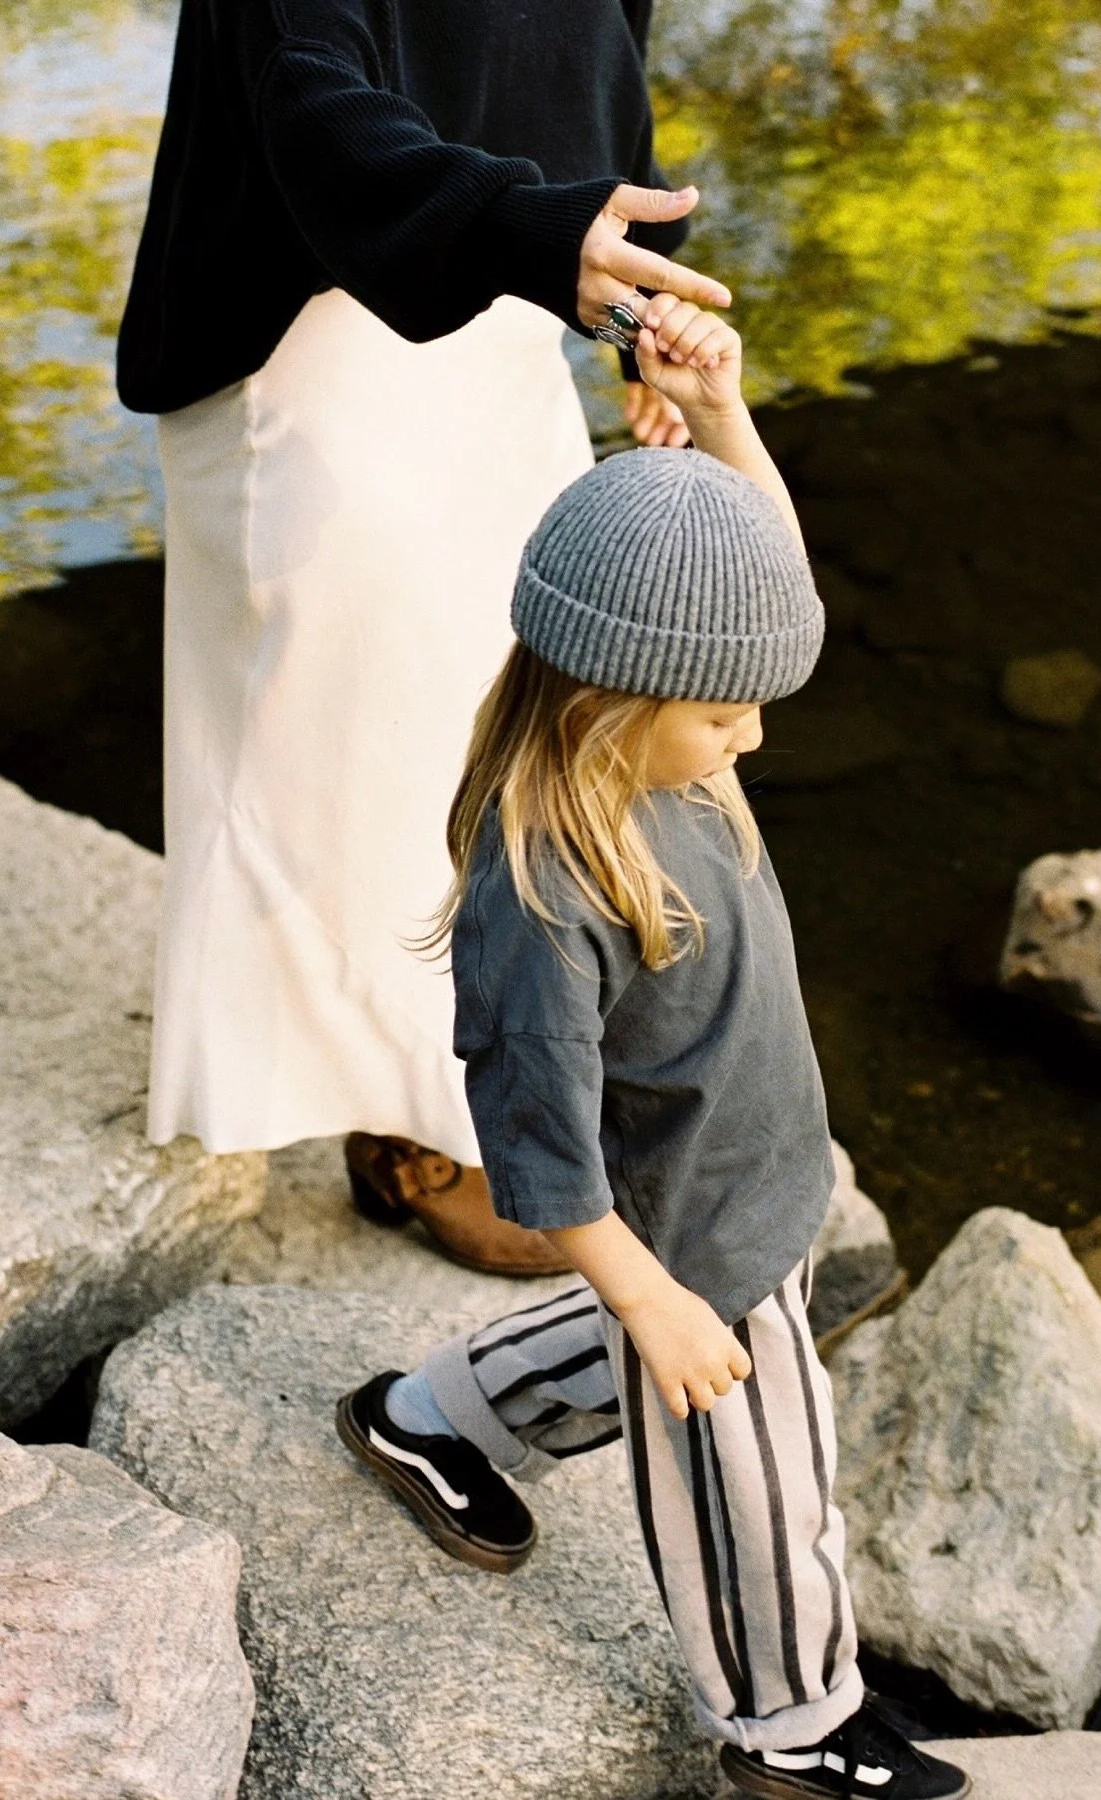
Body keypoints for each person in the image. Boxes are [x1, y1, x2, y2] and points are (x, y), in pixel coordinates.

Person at [335, 298, 970, 1800]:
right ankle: (792, 1721)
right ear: (615, 696)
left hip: (754, 1157)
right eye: (727, 710)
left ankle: (424, 1420)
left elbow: (764, 585)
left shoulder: (659, 745)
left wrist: (729, 412)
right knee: (760, 1478)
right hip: (682, 1214)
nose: (752, 736)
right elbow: (549, 1170)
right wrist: (660, 1300)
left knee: (661, 1348)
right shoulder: (547, 900)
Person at [118, 0, 732, 1275]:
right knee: (366, 754)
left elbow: (591, 42)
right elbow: (312, 100)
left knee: (518, 709)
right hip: (314, 320)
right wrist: (530, 230)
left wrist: (629, 286)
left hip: (496, 295)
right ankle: (408, 1130)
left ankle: (506, 1083)